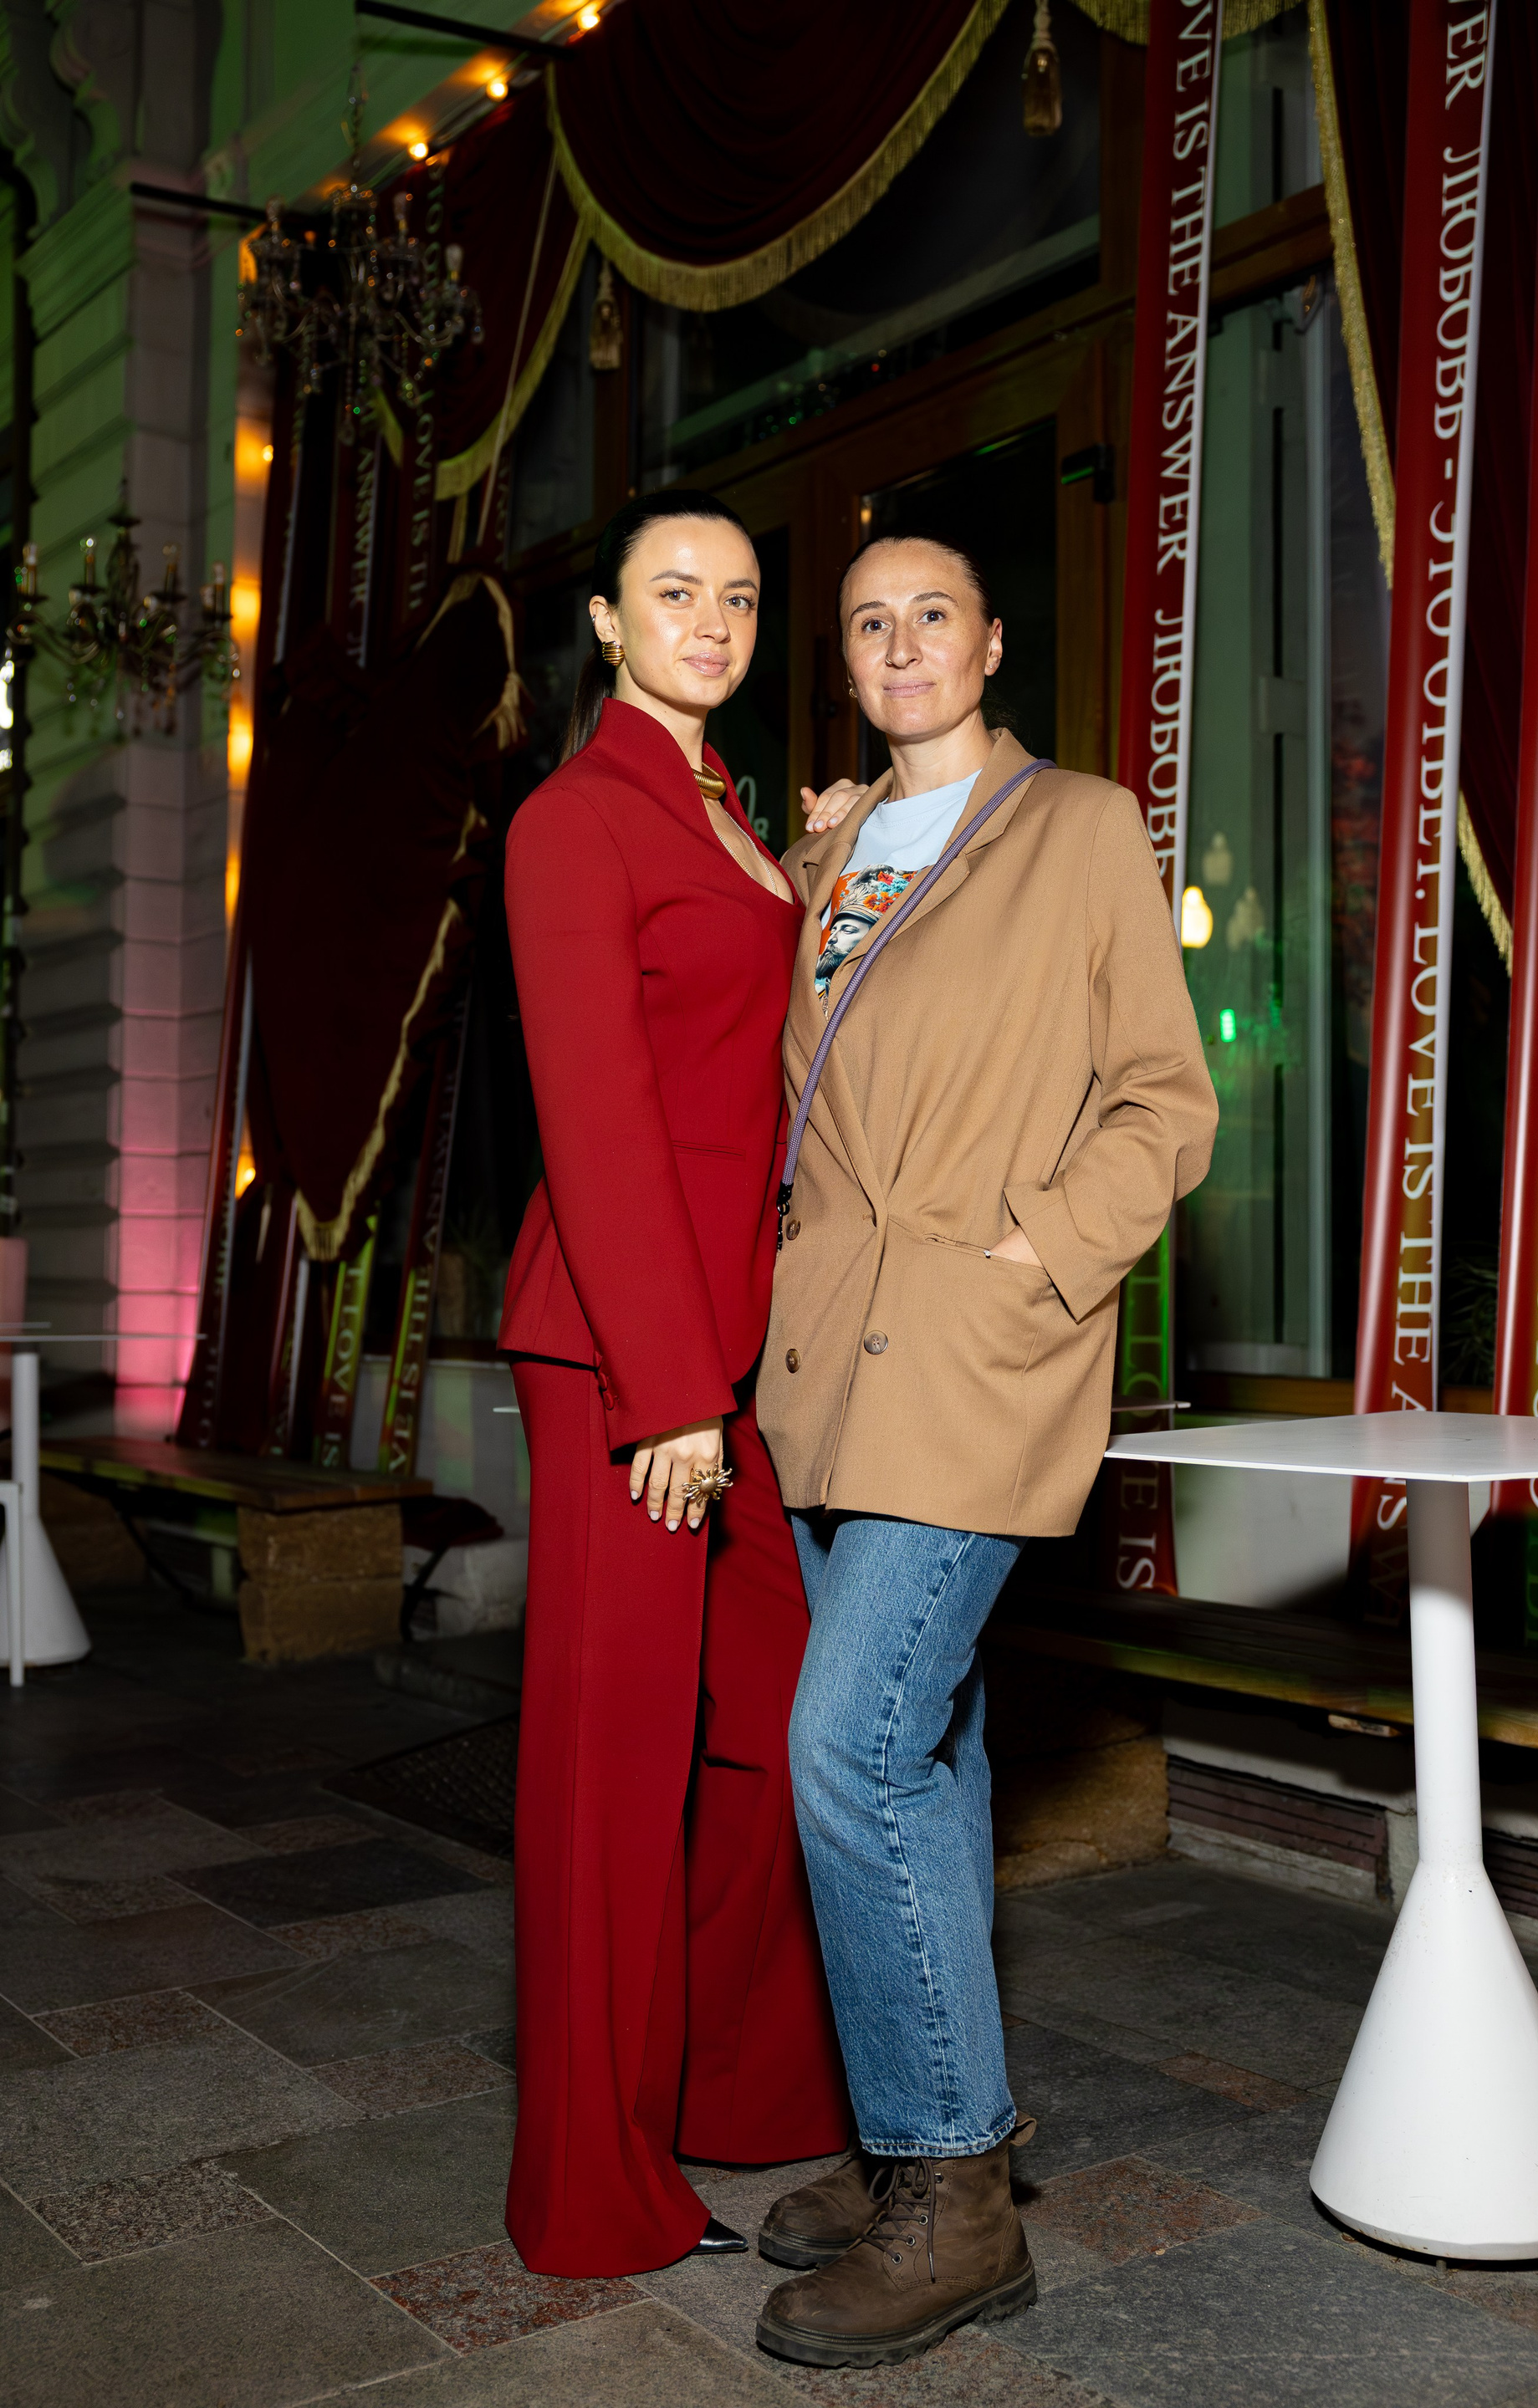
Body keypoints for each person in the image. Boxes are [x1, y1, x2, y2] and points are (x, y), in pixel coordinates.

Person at [751, 532, 1218, 2369]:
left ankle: (954, 2201)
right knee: (928, 1761)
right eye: (868, 623)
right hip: (829, 1363)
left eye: (932, 612)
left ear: (993, 640)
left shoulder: (1079, 827)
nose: (901, 642)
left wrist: (1040, 1255)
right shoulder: (833, 852)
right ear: (847, 665)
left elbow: (1163, 1096)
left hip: (973, 1349)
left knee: (849, 1745)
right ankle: (923, 2141)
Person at [498, 489, 851, 2278]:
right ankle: (591, 2184)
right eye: (674, 592)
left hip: (738, 1346)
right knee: (611, 1769)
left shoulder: (730, 813)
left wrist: (825, 863)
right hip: (627, 1353)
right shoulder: (575, 819)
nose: (711, 621)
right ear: (608, 622)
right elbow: (597, 1116)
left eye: (740, 596)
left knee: (790, 1720)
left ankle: (740, 2087)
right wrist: (666, 1395)